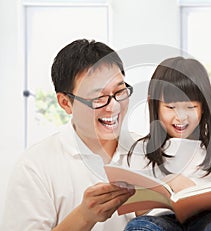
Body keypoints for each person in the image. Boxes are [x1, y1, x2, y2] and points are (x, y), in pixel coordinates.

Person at [118, 57, 211, 231]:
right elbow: (138, 210)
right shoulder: (143, 149)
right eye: (170, 107)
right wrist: (169, 183)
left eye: (190, 107)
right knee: (139, 226)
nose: (181, 117)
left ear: (203, 106)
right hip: (162, 220)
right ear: (155, 104)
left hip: (209, 218)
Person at [1, 39, 136, 230]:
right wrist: (84, 217)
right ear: (65, 103)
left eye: (120, 91)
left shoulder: (148, 151)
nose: (113, 106)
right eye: (99, 97)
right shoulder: (34, 167)